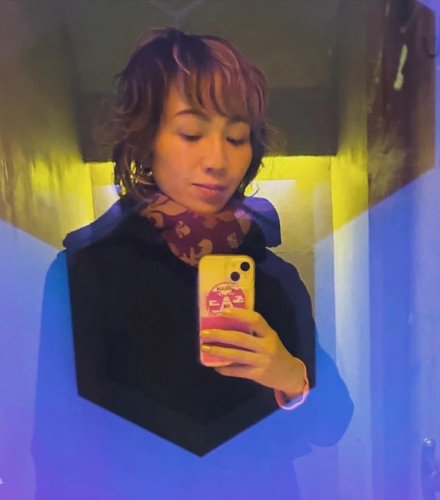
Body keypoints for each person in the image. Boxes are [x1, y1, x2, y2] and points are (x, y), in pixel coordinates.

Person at [64, 26, 352, 457]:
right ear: (146, 139)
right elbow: (56, 445)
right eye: (191, 133)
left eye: (236, 138)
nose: (217, 160)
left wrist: (290, 376)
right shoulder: (84, 272)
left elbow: (332, 426)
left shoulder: (274, 279)